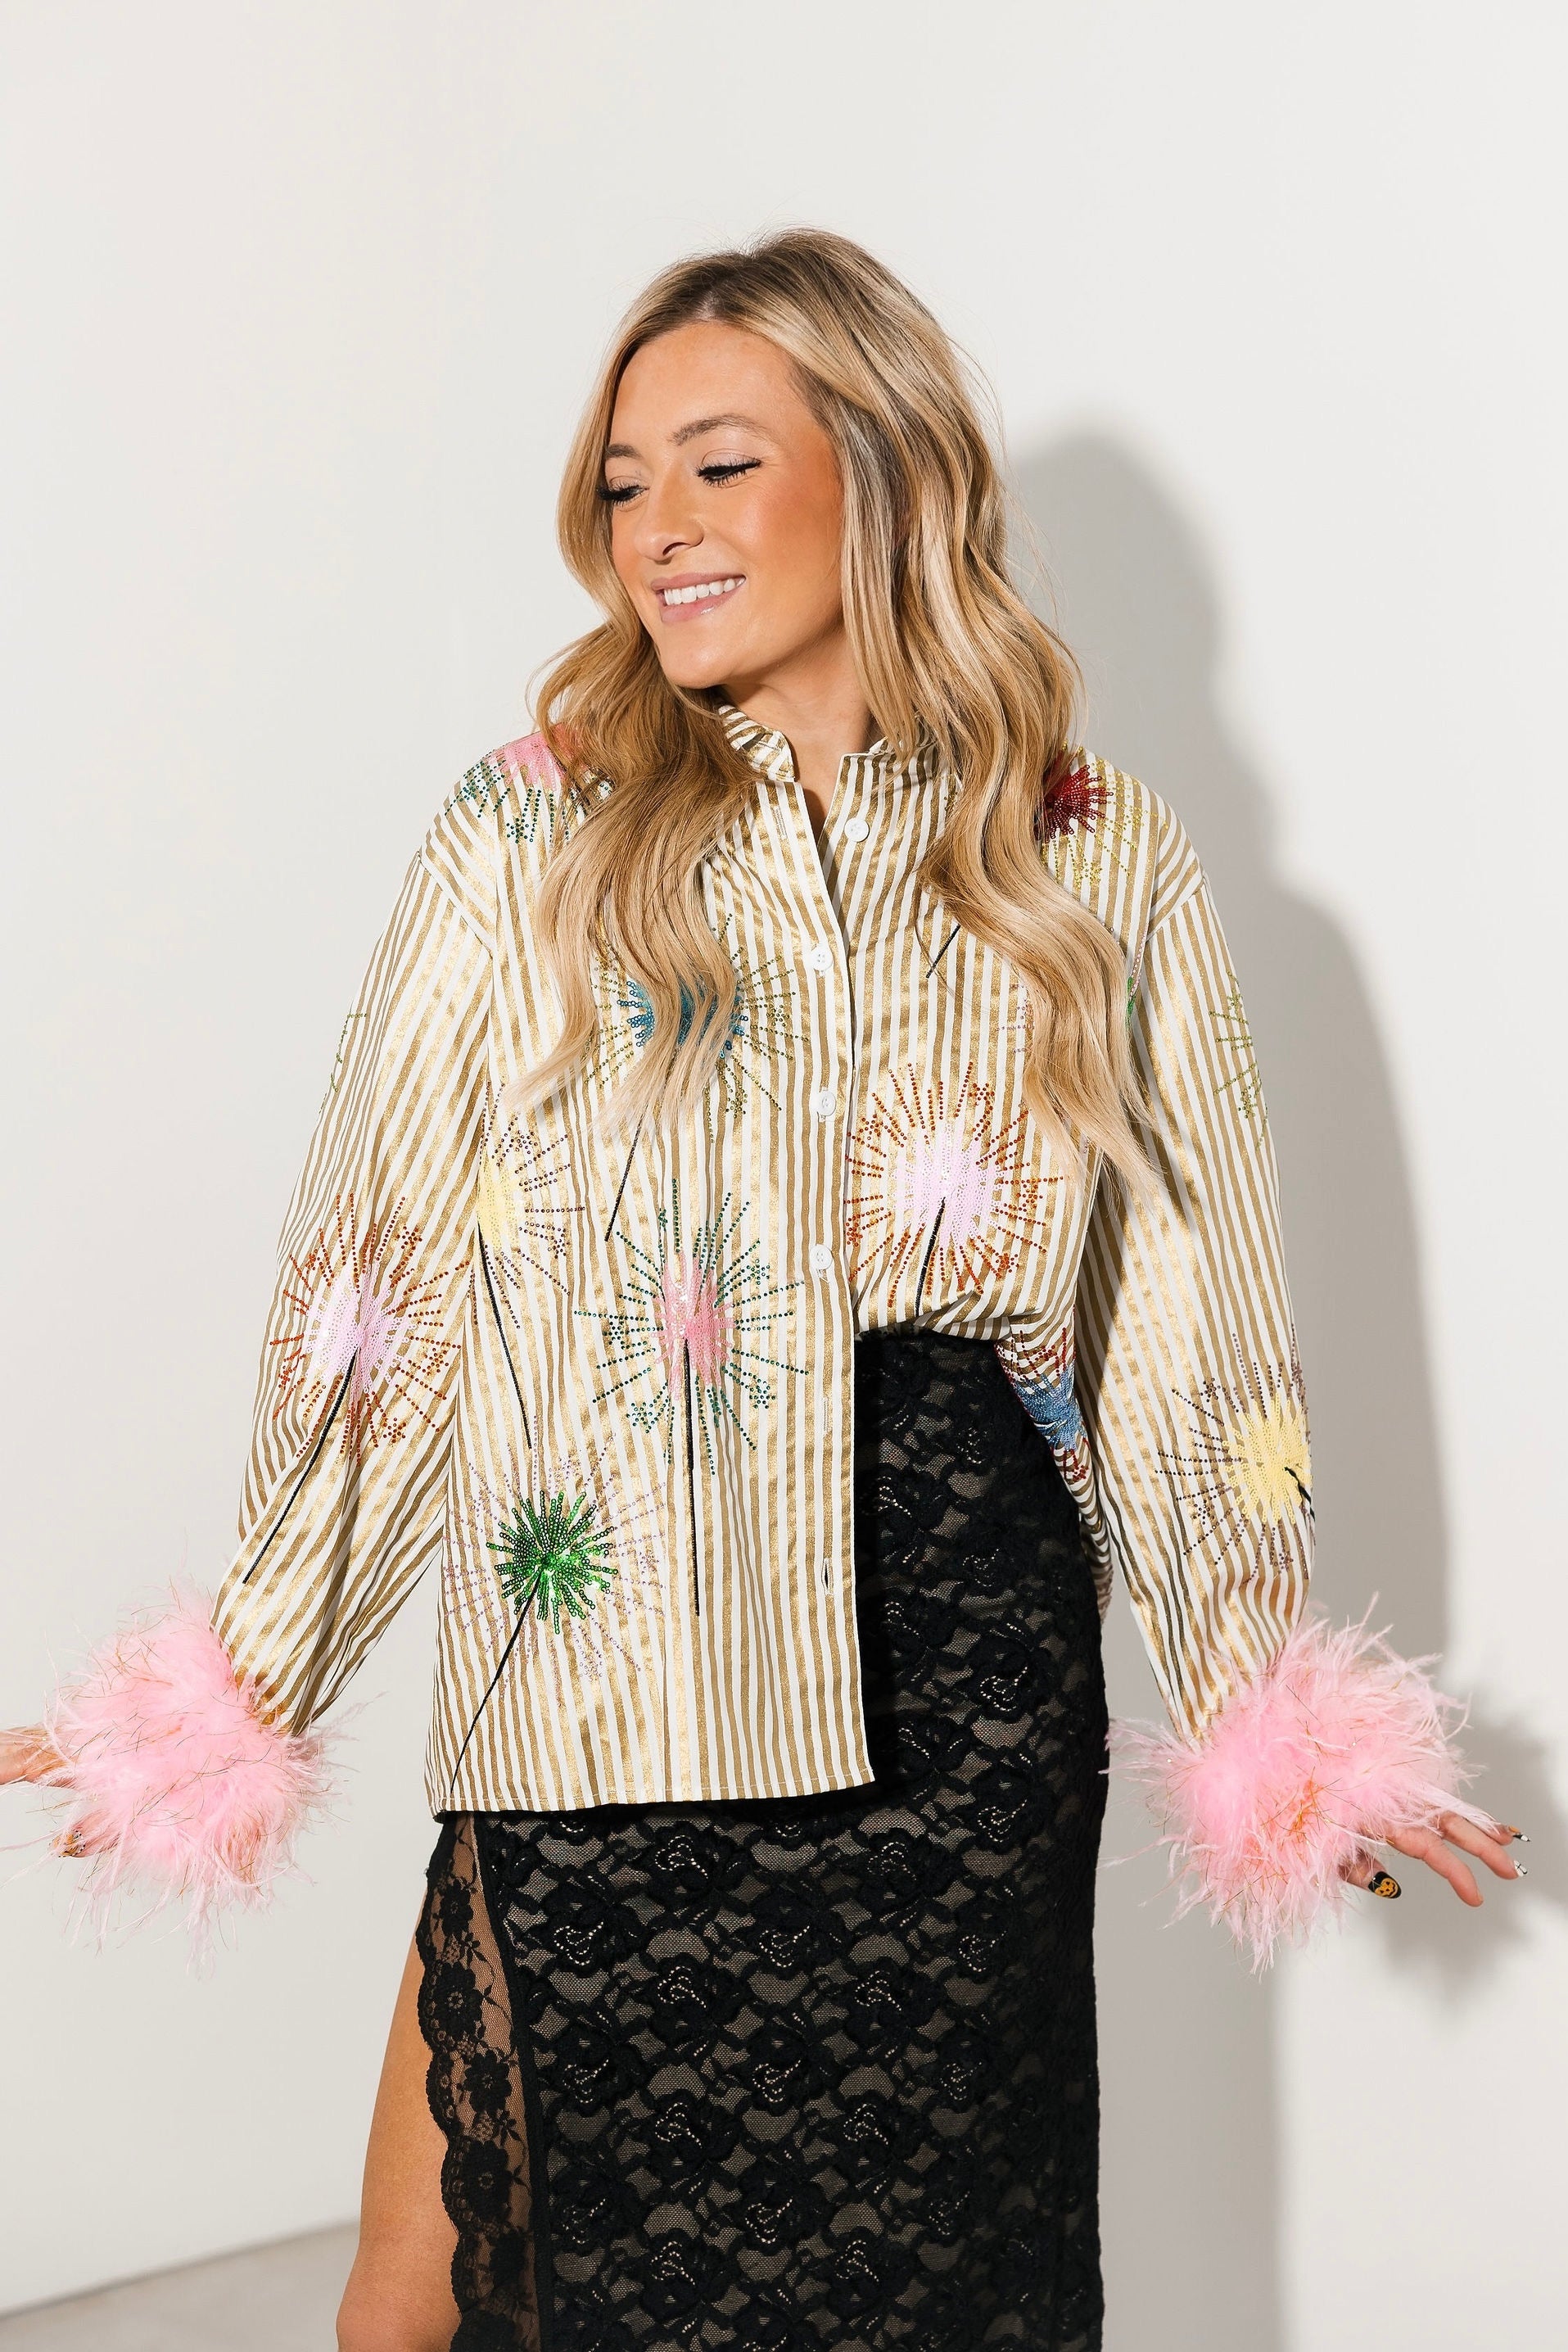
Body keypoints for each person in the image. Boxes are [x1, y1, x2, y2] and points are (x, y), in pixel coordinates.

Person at [2, 230, 1523, 2352]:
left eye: (719, 464)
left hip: (961, 1685)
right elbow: (384, 1271)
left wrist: (1271, 1703)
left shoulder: (1090, 852)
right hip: (600, 1650)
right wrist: (243, 1675)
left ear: (883, 473)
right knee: (419, 2302)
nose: (660, 528)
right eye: (625, 481)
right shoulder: (530, 837)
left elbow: (1186, 1323)